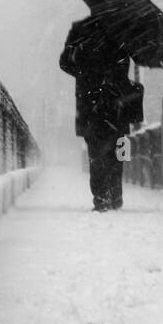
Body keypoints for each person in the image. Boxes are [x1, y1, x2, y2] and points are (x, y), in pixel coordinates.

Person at [59, 15, 143, 212]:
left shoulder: (80, 30)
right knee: (117, 150)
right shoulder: (121, 29)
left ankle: (101, 197)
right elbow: (130, 60)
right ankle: (115, 194)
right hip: (117, 102)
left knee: (97, 153)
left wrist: (85, 73)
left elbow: (65, 63)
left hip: (91, 103)